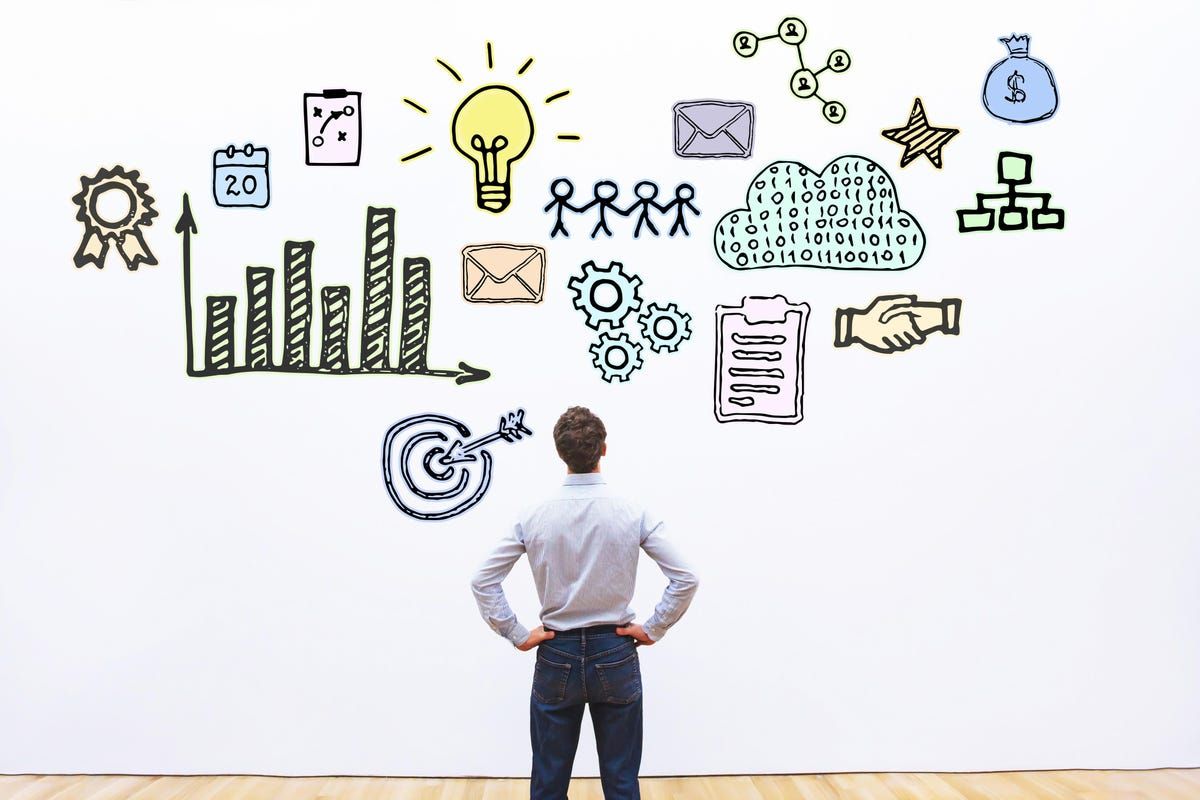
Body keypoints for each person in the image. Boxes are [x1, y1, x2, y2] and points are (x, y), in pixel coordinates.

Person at [471, 407, 699, 800]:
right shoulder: (632, 511)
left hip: (556, 651)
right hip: (615, 650)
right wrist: (654, 627)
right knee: (622, 781)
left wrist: (517, 633)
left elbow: (483, 579)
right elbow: (686, 577)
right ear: (603, 449)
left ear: (560, 453)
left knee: (548, 781)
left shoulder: (534, 515)